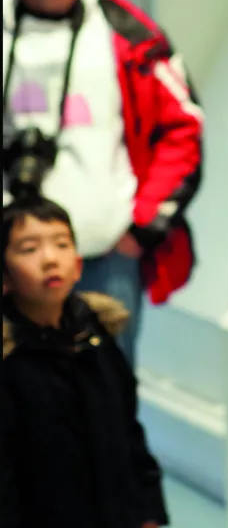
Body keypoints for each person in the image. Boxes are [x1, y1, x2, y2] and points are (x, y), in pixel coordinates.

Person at [2, 0, 204, 367]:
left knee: (106, 394)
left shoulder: (125, 32)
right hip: (9, 259)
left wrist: (143, 227)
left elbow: (183, 128)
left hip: (105, 252)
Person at [1, 195, 169, 528]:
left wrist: (148, 513)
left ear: (78, 265)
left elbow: (130, 434)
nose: (50, 259)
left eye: (61, 244)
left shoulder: (98, 337)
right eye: (29, 249)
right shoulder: (10, 361)